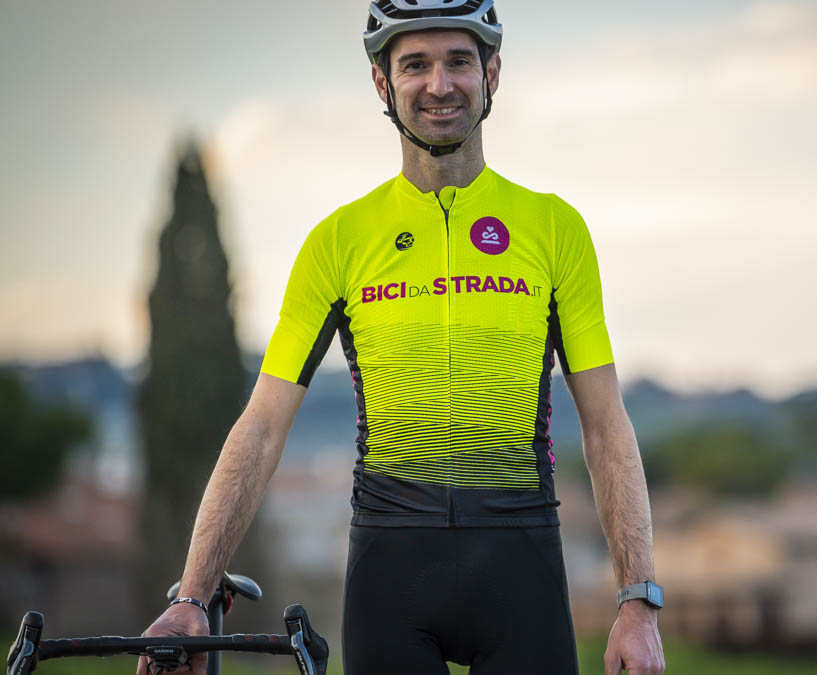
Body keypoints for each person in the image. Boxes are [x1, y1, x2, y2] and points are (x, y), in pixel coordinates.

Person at [135, 1, 666, 674]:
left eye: (459, 61)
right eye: (415, 64)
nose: (439, 84)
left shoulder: (555, 229)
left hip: (521, 566)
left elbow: (607, 424)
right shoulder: (339, 241)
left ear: (491, 73)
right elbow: (262, 426)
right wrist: (191, 595)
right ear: (383, 83)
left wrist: (639, 602)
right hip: (392, 575)